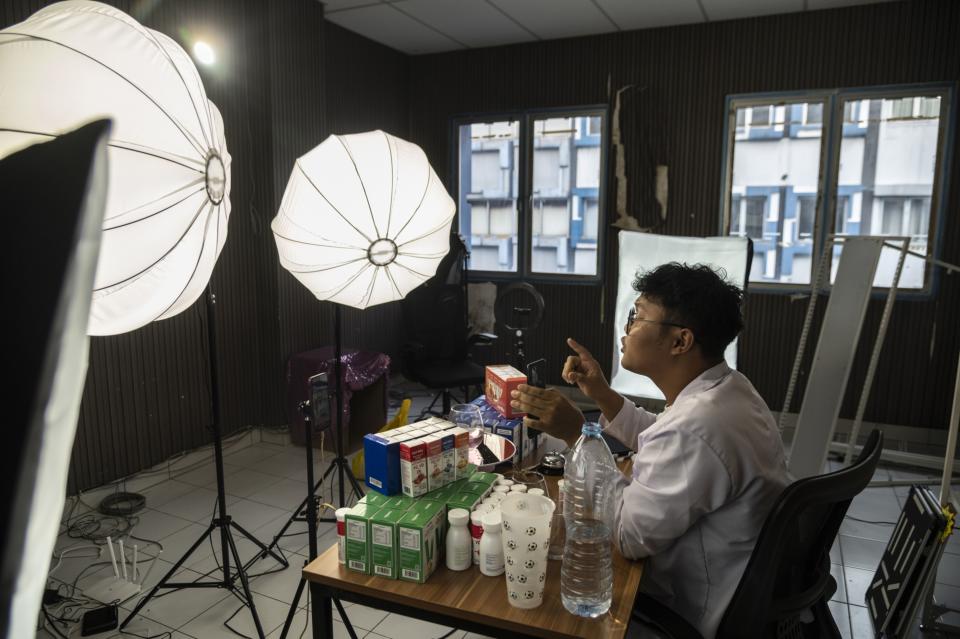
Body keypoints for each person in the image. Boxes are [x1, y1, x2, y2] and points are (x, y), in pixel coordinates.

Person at [510, 262, 790, 639]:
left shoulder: (698, 425)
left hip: (691, 610)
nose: (626, 330)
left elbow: (627, 536)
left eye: (637, 317)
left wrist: (578, 435)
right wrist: (604, 396)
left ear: (680, 341)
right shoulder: (728, 389)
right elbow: (662, 435)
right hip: (738, 581)